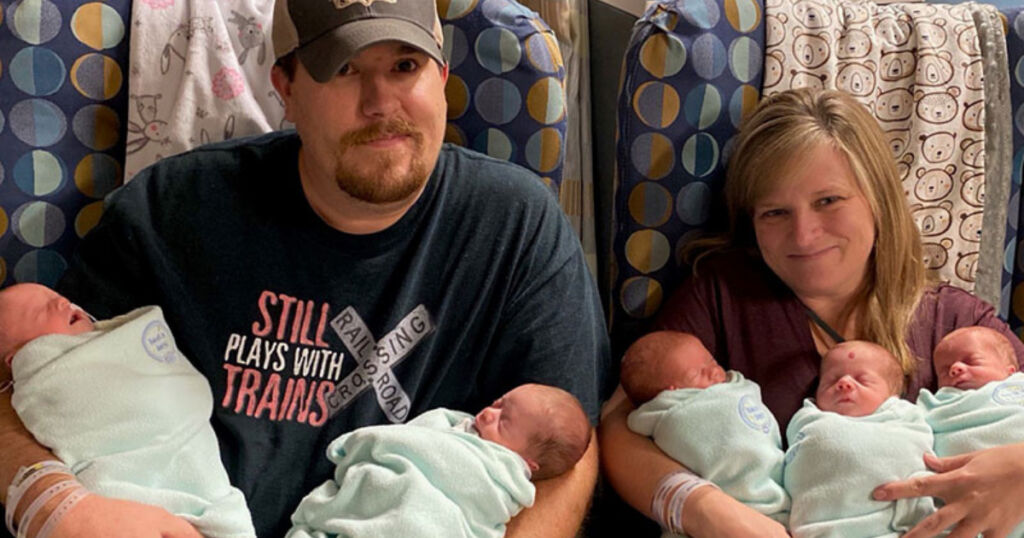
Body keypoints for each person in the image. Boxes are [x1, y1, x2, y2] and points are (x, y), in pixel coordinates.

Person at [0, 1, 611, 536]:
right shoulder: (168, 213)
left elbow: (570, 454)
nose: (380, 104)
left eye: (405, 66)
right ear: (285, 88)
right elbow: (25, 378)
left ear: (443, 77)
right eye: (344, 69)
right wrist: (46, 499)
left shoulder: (517, 229)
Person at [598, 88, 1024, 538]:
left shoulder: (958, 324)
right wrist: (702, 509)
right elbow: (618, 425)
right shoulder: (724, 296)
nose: (803, 235)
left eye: (828, 201)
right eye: (775, 212)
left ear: (877, 197)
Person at [0, 284, 255, 538]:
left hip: (215, 493)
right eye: (39, 311)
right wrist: (53, 502)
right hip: (115, 510)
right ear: (17, 359)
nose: (63, 302)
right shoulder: (52, 373)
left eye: (57, 297)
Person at [287, 384, 590, 537]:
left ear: (527, 464)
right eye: (498, 404)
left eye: (504, 422)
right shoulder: (452, 424)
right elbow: (415, 441)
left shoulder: (500, 477)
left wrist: (360, 445)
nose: (488, 414)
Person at [618, 330, 789, 532]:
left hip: (778, 488)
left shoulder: (734, 386)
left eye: (711, 361)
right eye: (697, 374)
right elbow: (625, 422)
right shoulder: (669, 412)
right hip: (723, 506)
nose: (714, 371)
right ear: (670, 393)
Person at [785, 340, 935, 537]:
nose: (844, 383)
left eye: (862, 380)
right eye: (831, 381)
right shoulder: (808, 420)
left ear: (892, 395)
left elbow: (919, 451)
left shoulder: (904, 417)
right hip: (824, 528)